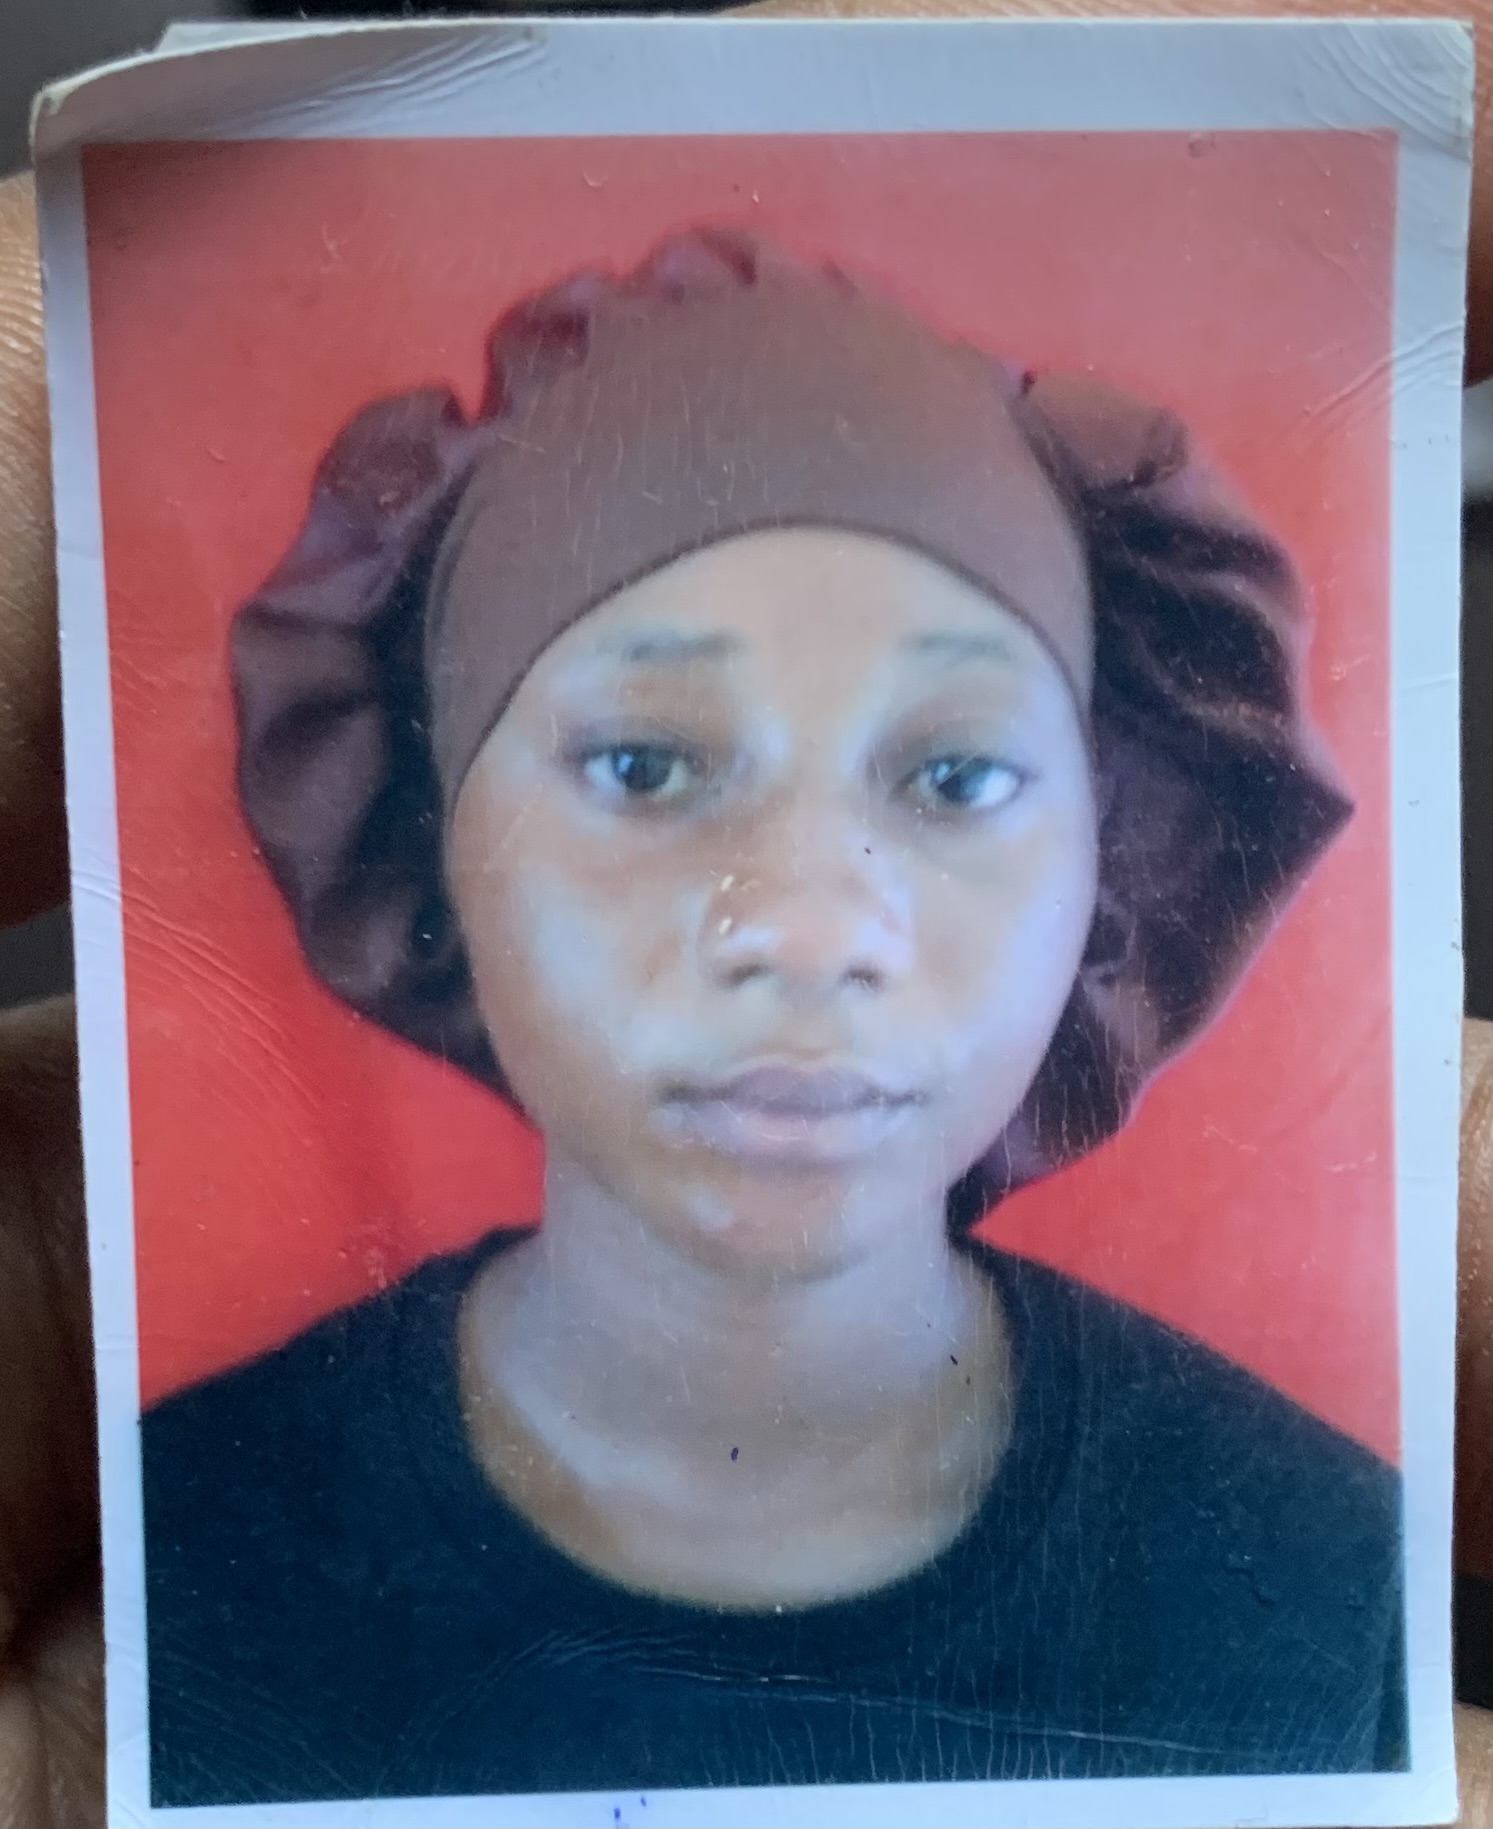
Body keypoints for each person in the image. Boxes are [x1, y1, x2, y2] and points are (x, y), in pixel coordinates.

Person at [0, 6, 1488, 1821]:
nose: (803, 923)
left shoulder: (1308, 1585)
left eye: (953, 777)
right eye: (644, 764)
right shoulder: (198, 1569)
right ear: (429, 839)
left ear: (1112, 860)